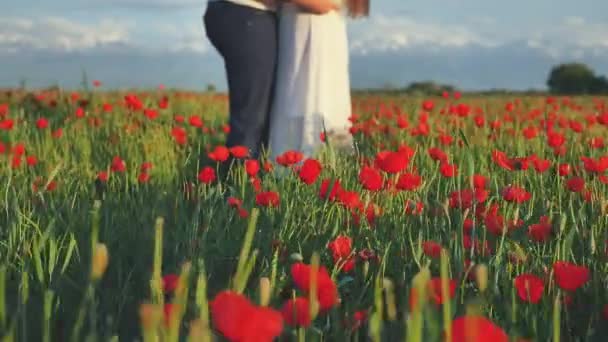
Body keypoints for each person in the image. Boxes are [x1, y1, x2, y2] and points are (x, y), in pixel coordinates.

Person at [268, 0, 370, 160]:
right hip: (315, 30)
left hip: (311, 32)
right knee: (311, 100)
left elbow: (321, 5)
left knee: (308, 98)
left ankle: (303, 168)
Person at [203, 0, 278, 159]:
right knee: (252, 119)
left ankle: (246, 176)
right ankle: (242, 180)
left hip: (240, 12)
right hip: (247, 13)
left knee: (255, 114)